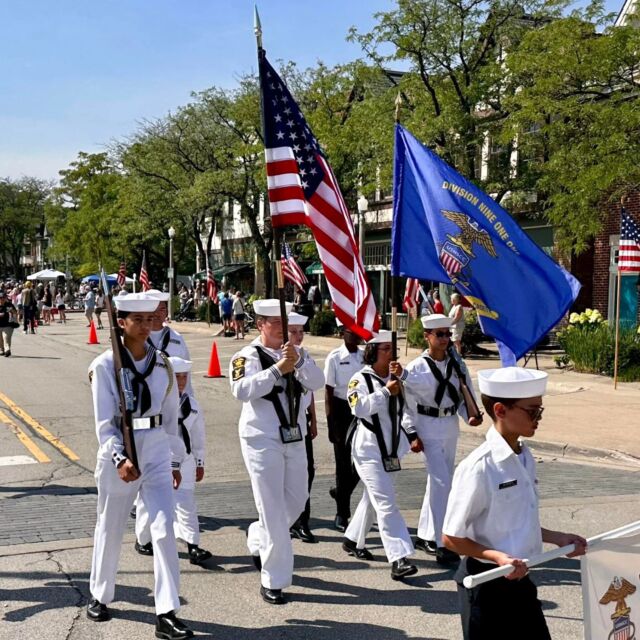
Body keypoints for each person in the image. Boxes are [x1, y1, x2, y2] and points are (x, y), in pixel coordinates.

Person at [443, 366, 587, 640]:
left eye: (540, 411)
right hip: (486, 585)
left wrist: (559, 538)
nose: (539, 418)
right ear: (500, 410)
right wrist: (497, 557)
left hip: (521, 582)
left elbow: (515, 521)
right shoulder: (479, 467)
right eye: (532, 411)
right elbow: (451, 537)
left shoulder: (524, 456)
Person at [86, 291, 193, 639]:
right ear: (122, 322)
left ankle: (166, 611)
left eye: (151, 320)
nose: (147, 327)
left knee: (164, 529)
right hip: (122, 453)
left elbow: (172, 416)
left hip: (157, 448)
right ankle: (100, 594)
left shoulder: (163, 363)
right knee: (111, 525)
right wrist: (119, 458)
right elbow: (105, 423)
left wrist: (176, 459)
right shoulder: (105, 365)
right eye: (139, 320)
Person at [229, 299, 324, 605]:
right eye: (280, 325)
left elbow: (317, 383)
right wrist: (277, 370)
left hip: (293, 438)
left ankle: (257, 536)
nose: (287, 332)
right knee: (271, 508)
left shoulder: (298, 354)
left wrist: (297, 362)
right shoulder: (247, 355)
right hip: (261, 437)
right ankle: (274, 579)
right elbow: (241, 390)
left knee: (296, 502)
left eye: (291, 327)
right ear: (261, 325)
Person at [402, 314, 483, 564]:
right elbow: (406, 404)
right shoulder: (416, 368)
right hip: (426, 424)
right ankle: (442, 542)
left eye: (448, 334)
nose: (445, 339)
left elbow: (463, 392)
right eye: (440, 334)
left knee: (439, 482)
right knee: (442, 483)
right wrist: (412, 433)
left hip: (449, 425)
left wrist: (470, 414)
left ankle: (426, 533)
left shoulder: (456, 364)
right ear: (427, 337)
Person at [342, 331, 418, 581]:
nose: (391, 353)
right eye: (386, 348)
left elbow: (406, 411)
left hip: (392, 449)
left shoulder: (398, 378)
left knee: (373, 498)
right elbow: (359, 408)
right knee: (386, 502)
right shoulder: (359, 379)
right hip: (368, 450)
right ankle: (399, 558)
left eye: (393, 348)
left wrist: (411, 434)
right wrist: (385, 392)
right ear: (373, 352)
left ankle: (352, 539)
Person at [133, 289, 192, 554]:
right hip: (144, 418)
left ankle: (152, 535)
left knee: (164, 479)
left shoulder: (177, 339)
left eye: (164, 308)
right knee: (150, 481)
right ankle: (145, 536)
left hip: (173, 414)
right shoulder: (137, 339)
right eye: (156, 308)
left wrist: (191, 409)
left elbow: (187, 379)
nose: (161, 313)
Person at [165, 356, 212, 565]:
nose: (182, 381)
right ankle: (145, 540)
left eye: (185, 377)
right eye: (177, 377)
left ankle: (193, 545)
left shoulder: (192, 403)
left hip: (186, 458)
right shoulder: (159, 403)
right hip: (162, 459)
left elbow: (198, 434)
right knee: (155, 507)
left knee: (186, 502)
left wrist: (199, 462)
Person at [323, 323, 364, 531]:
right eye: (351, 332)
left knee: (361, 462)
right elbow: (328, 391)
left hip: (362, 408)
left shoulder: (365, 355)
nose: (356, 335)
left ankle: (341, 491)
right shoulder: (334, 357)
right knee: (342, 462)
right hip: (341, 409)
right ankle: (342, 513)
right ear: (342, 334)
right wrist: (330, 422)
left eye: (358, 332)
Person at [287, 312, 318, 544]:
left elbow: (311, 390)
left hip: (302, 424)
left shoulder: (305, 357)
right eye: (293, 332)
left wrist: (313, 419)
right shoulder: (281, 357)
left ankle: (302, 521)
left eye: (301, 332)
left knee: (307, 471)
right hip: (282, 423)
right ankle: (287, 520)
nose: (298, 337)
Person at [0, 290, 17, 357]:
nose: (1, 299)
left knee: (6, 338)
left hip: (8, 325)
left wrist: (11, 310)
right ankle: (2, 350)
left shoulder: (9, 305)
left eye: (3, 298)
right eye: (0, 298)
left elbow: (15, 312)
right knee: (0, 339)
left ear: (5, 298)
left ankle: (7, 350)